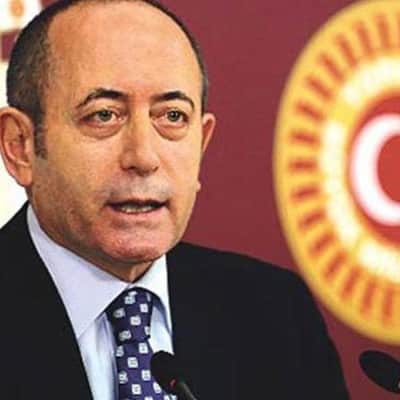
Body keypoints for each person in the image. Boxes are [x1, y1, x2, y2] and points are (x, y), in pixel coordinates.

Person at [0, 0, 349, 399]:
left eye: (172, 117)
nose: (143, 157)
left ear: (202, 142)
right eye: (103, 115)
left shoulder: (276, 314)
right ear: (20, 146)